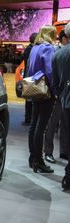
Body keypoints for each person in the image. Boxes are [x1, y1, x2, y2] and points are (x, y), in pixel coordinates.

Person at [27, 26, 57, 173]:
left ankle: (33, 157)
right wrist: (55, 90)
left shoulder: (34, 48)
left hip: (34, 88)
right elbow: (50, 71)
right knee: (41, 127)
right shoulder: (48, 48)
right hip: (45, 90)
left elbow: (29, 68)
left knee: (34, 125)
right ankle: (38, 160)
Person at [44, 29, 69, 164]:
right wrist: (56, 93)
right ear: (64, 38)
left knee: (64, 125)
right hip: (57, 95)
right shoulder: (54, 51)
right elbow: (52, 74)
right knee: (52, 124)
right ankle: (48, 152)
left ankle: (63, 152)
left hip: (64, 94)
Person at [52, 23, 70, 190]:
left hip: (66, 101)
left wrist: (61, 94)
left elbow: (55, 82)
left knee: (67, 133)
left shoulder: (58, 55)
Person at [22, 32, 38, 125]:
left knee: (29, 98)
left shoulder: (30, 48)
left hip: (29, 77)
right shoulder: (30, 49)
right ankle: (28, 118)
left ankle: (29, 118)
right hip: (29, 77)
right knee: (29, 99)